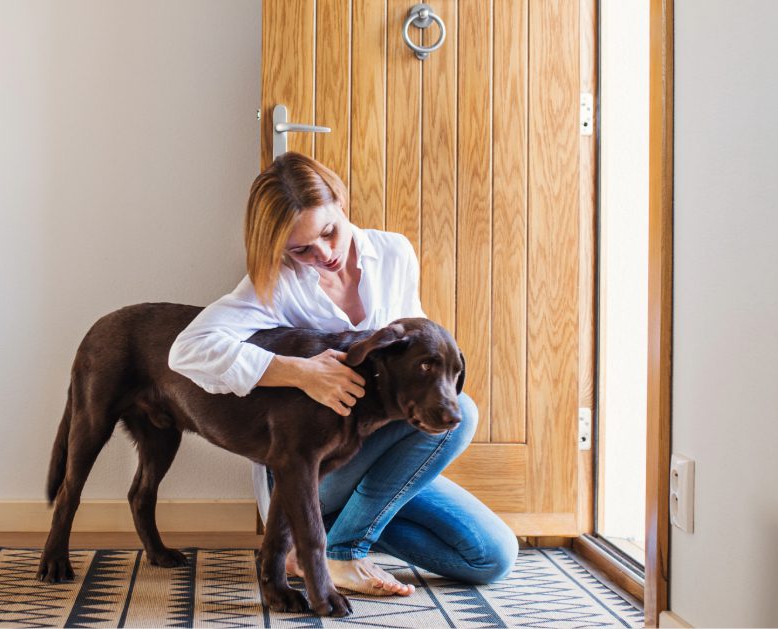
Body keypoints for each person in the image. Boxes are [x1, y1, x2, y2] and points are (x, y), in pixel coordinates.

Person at [168, 152, 517, 596]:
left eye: (329, 232)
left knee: (491, 556)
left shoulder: (393, 253)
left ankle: (332, 529)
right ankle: (341, 550)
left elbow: (418, 348)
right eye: (302, 249)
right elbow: (188, 350)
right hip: (307, 466)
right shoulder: (275, 281)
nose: (325, 253)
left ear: (340, 202)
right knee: (462, 415)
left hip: (378, 456)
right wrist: (298, 371)